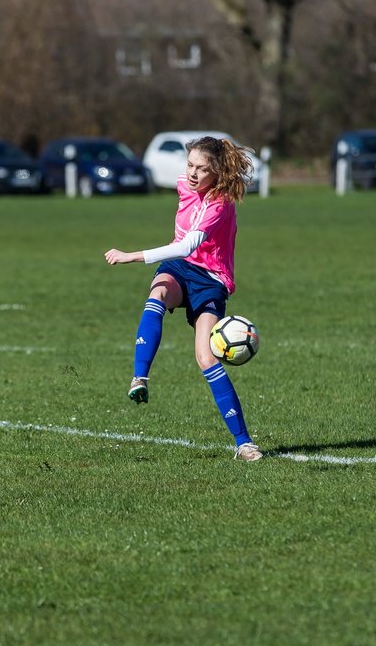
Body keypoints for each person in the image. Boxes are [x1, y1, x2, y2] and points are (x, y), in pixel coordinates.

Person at [104, 136, 263, 462]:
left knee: (206, 358)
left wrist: (130, 256)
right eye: (189, 165)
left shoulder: (220, 205)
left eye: (201, 169)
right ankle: (140, 377)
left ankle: (244, 443)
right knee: (158, 293)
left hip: (210, 280)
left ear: (216, 172)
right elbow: (181, 255)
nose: (192, 174)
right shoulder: (184, 184)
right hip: (179, 270)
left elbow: (187, 246)